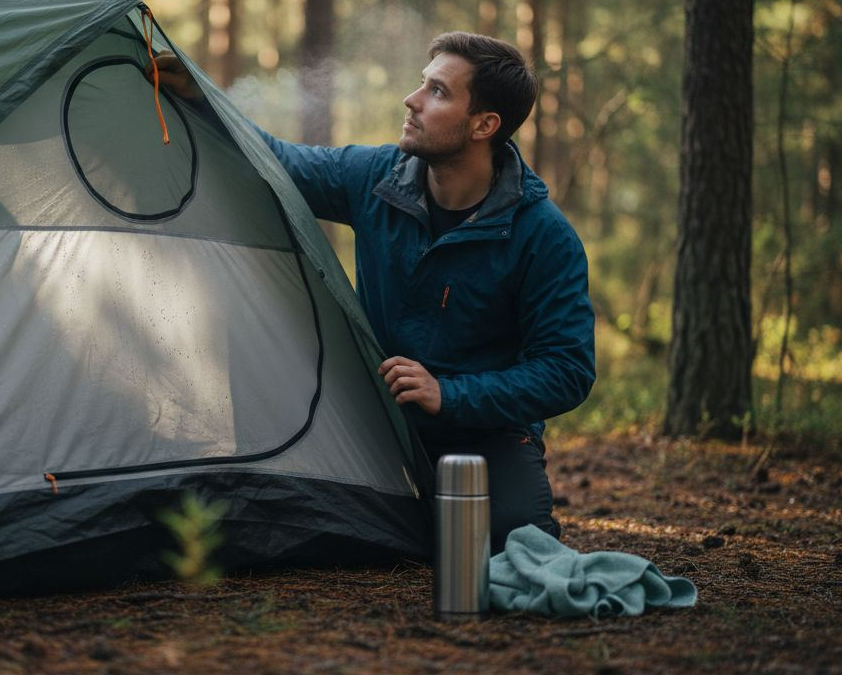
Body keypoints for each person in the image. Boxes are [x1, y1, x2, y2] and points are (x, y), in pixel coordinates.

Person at [154, 32, 595, 552]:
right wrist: (202, 98)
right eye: (421, 83)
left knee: (511, 541)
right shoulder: (375, 177)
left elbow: (567, 369)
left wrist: (449, 394)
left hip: (487, 431)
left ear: (484, 125)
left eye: (437, 92)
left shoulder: (542, 234)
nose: (412, 100)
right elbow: (277, 164)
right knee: (275, 527)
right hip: (373, 422)